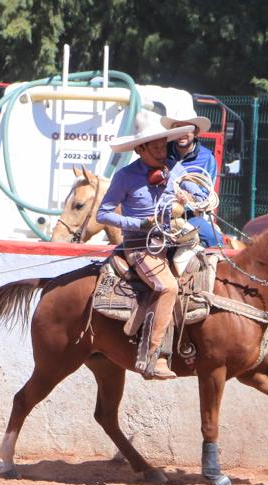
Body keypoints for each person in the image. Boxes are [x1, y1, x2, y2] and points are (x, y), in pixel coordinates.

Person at [97, 111, 194, 380]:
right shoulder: (125, 176)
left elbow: (200, 192)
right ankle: (152, 355)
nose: (162, 152)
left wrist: (190, 197)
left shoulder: (174, 170)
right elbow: (102, 214)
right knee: (168, 286)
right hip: (142, 246)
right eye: (155, 147)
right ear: (140, 149)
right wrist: (138, 224)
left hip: (175, 240)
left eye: (163, 145)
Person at [163, 104, 222, 246]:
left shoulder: (207, 158)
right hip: (158, 212)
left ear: (195, 131)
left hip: (190, 216)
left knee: (213, 239)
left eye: (187, 128)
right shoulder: (161, 151)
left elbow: (206, 196)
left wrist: (188, 199)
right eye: (178, 128)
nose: (182, 133)